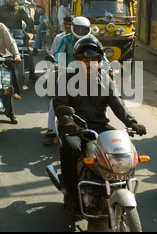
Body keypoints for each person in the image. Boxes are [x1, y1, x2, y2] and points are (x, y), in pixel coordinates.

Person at [53, 35, 147, 215]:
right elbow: (59, 104)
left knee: (121, 147)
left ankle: (120, 185)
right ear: (78, 61)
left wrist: (132, 122)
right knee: (70, 149)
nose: (90, 64)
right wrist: (68, 122)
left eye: (94, 60)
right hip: (74, 126)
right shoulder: (66, 78)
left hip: (99, 125)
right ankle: (72, 192)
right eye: (85, 60)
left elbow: (118, 103)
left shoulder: (105, 79)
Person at [43, 15, 73, 146]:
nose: (67, 27)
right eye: (66, 24)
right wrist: (57, 65)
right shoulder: (61, 38)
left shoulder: (87, 40)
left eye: (70, 24)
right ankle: (50, 130)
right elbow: (56, 54)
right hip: (64, 73)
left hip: (84, 75)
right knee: (54, 101)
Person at [0, 0, 39, 83]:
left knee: (27, 51)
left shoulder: (20, 9)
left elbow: (27, 19)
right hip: (3, 35)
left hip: (17, 35)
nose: (11, 0)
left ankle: (32, 73)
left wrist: (32, 24)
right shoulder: (0, 9)